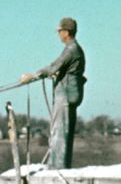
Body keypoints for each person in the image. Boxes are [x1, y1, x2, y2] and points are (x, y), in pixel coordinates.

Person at [20, 17, 86, 169]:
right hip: (71, 94)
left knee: (59, 132)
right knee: (65, 131)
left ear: (66, 32)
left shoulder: (71, 49)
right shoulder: (75, 49)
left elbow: (54, 66)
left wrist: (32, 76)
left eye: (60, 31)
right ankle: (62, 165)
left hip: (66, 96)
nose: (58, 34)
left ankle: (57, 167)